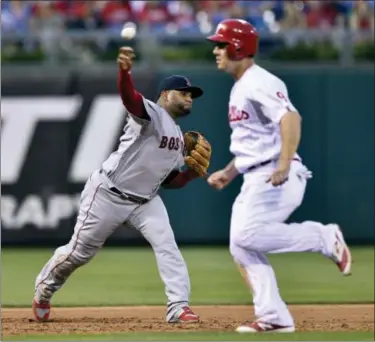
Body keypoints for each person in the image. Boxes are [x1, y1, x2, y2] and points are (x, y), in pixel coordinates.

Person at [32, 46, 211, 324]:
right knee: (79, 254)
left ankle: (178, 306)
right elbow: (130, 99)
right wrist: (124, 72)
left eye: (191, 96)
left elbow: (169, 181)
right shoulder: (151, 113)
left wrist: (190, 175)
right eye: (184, 93)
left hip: (146, 201)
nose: (189, 98)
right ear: (166, 94)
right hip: (108, 193)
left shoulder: (178, 137)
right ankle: (44, 289)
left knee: (167, 245)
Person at [206, 19, 352, 333]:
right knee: (241, 246)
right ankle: (274, 316)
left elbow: (291, 118)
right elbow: (255, 141)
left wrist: (283, 163)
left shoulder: (259, 81)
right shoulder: (241, 87)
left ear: (238, 47)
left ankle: (324, 237)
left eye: (221, 44)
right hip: (255, 174)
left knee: (246, 236)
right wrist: (230, 173)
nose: (216, 50)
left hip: (276, 175)